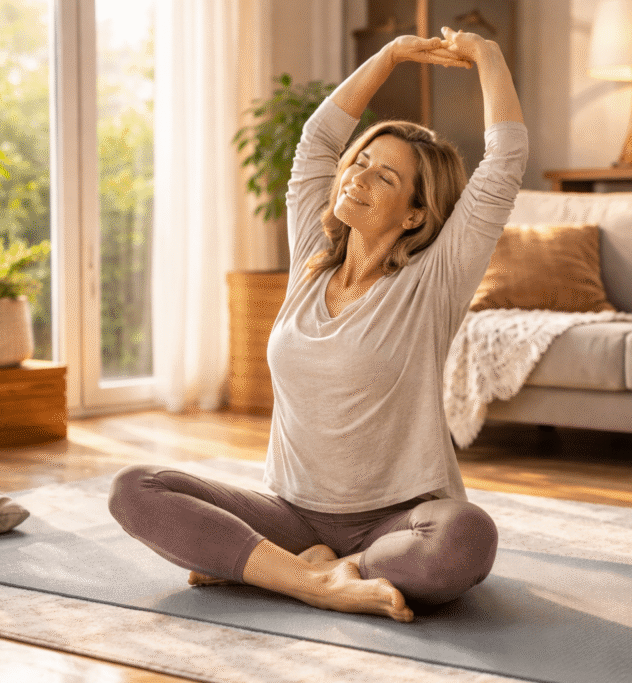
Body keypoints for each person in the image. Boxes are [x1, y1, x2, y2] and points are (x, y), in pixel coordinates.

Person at [109, 27, 527, 623]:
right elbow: (317, 141)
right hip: (293, 513)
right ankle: (315, 578)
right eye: (360, 162)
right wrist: (386, 59)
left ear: (415, 214)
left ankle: (286, 569)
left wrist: (487, 53)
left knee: (466, 540)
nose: (357, 176)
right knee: (135, 488)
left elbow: (505, 161)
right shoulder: (312, 253)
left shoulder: (432, 283)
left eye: (384, 177)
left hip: (401, 519)